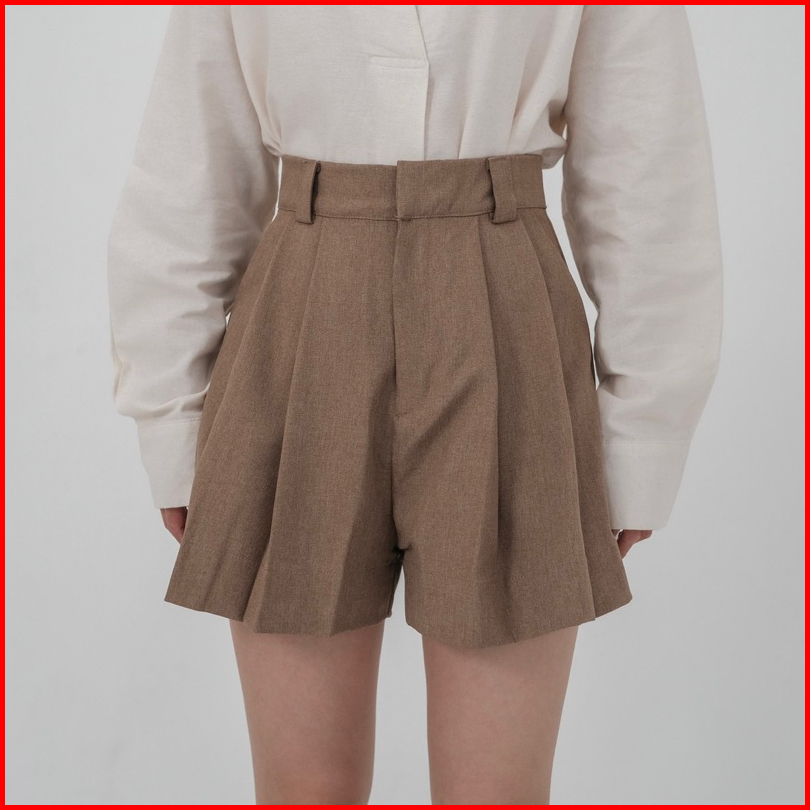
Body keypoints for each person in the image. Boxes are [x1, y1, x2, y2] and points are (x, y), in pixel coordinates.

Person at [106, 6, 722, 805]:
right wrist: (170, 412)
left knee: (497, 794)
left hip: (505, 311)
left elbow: (647, 160)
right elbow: (192, 154)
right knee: (302, 792)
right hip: (302, 313)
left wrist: (645, 429)